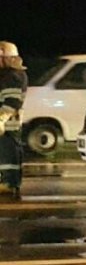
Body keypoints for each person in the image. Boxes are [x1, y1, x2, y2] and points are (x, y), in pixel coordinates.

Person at [0, 41, 28, 200]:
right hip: (6, 125)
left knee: (8, 154)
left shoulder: (13, 76)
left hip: (8, 125)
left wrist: (1, 119)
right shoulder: (6, 75)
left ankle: (8, 183)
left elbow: (12, 102)